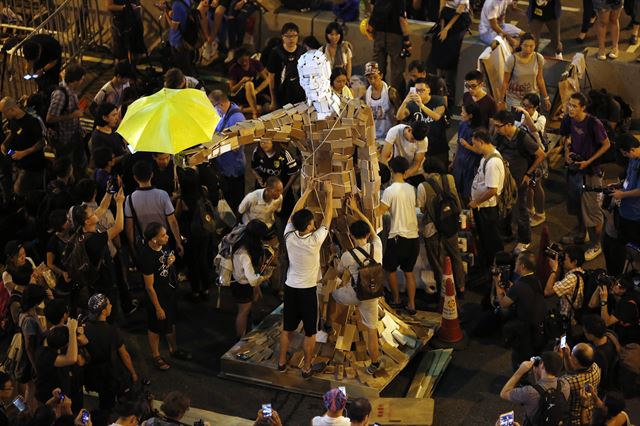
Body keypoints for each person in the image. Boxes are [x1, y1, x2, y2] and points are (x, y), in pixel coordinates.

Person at [278, 181, 333, 378]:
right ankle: (307, 366)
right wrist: (330, 193)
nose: (315, 224)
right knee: (310, 332)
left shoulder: (289, 236)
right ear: (309, 226)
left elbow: (294, 211)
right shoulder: (315, 240)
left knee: (287, 328)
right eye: (312, 223)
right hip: (308, 291)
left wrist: (308, 190)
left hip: (290, 287)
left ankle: (282, 362)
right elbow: (328, 218)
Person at [331, 198, 383, 374]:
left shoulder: (348, 255)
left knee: (334, 295)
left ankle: (330, 326)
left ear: (351, 236)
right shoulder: (377, 246)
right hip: (372, 293)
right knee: (371, 330)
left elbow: (338, 271)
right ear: (368, 235)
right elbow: (370, 226)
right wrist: (357, 210)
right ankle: (375, 363)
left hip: (355, 294)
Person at [559, 93, 611, 260]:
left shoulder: (593, 123)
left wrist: (589, 161)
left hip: (591, 172)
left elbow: (607, 144)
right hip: (574, 169)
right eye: (569, 104)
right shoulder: (568, 119)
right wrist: (567, 152)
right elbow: (565, 137)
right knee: (577, 206)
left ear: (583, 107)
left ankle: (597, 245)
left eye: (574, 106)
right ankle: (582, 234)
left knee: (592, 211)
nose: (570, 108)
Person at [139, 222, 191, 371]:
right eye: (163, 235)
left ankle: (173, 349)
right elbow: (149, 287)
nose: (167, 237)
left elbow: (166, 260)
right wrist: (157, 307)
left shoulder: (164, 245)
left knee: (171, 322)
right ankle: (156, 355)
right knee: (155, 327)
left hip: (169, 292)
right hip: (156, 297)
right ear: (154, 239)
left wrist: (171, 261)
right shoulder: (146, 256)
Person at [493, 110, 545, 253]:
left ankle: (525, 240)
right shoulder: (500, 136)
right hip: (504, 180)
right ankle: (507, 234)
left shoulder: (523, 137)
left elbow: (541, 155)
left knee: (520, 210)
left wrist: (528, 173)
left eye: (498, 126)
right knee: (505, 207)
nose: (496, 129)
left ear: (509, 124)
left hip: (519, 181)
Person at [71, 187, 126, 315]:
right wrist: (119, 203)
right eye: (92, 213)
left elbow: (102, 207)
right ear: (87, 221)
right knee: (107, 312)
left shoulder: (81, 230)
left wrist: (109, 191)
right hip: (103, 284)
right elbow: (119, 227)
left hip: (93, 282)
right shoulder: (94, 240)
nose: (96, 213)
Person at [377, 157, 420, 314]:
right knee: (409, 272)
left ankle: (396, 300)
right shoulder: (411, 189)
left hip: (397, 237)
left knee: (390, 270)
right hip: (413, 237)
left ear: (392, 169)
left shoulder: (390, 191)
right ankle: (412, 304)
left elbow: (379, 212)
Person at [417, 158, 465, 295]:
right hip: (450, 224)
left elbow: (421, 209)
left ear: (426, 171)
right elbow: (456, 200)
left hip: (432, 229)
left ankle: (444, 291)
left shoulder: (423, 186)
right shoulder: (449, 178)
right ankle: (461, 287)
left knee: (437, 261)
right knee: (455, 256)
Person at [84, 294, 138, 410]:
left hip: (91, 372)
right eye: (109, 304)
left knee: (103, 399)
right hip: (108, 374)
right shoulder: (112, 331)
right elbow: (125, 355)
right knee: (109, 401)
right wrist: (133, 373)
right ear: (103, 311)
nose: (111, 306)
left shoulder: (84, 328)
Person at [495, 251, 547, 368]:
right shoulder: (536, 279)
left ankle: (521, 378)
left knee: (518, 358)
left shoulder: (519, 286)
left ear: (522, 266)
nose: (515, 263)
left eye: (517, 261)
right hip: (540, 327)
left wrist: (497, 285)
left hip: (526, 329)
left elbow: (503, 303)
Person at [125, 160, 184, 258]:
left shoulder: (130, 199)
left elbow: (129, 227)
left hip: (145, 243)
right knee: (166, 268)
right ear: (152, 175)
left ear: (135, 178)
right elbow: (172, 221)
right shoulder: (162, 195)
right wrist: (178, 242)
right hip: (163, 240)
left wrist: (132, 247)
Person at [176, 168, 214, 301]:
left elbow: (177, 215)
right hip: (204, 231)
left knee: (192, 262)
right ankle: (207, 288)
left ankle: (196, 291)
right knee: (203, 258)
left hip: (190, 233)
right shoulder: (203, 192)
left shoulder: (183, 199)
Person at [469, 130, 505, 269]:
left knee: (491, 240)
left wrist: (476, 201)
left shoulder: (493, 163)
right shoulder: (486, 157)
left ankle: (495, 267)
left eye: (475, 144)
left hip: (487, 209)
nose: (474, 147)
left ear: (482, 142)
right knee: (485, 238)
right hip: (482, 207)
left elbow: (492, 190)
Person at [499, 351, 570, 423]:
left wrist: (520, 371)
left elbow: (504, 393)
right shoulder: (565, 385)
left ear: (542, 365)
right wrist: (537, 374)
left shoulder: (529, 392)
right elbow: (543, 390)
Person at [230, 219, 271, 337]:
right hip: (242, 284)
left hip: (242, 282)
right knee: (243, 312)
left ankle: (253, 325)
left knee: (253, 302)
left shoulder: (243, 241)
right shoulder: (244, 254)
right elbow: (252, 279)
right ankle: (240, 339)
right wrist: (265, 276)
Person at [396, 78, 448, 167]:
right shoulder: (412, 104)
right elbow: (399, 116)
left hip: (438, 147)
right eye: (416, 90)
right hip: (419, 147)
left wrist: (421, 105)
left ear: (429, 90)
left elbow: (436, 116)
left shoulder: (438, 100)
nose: (419, 93)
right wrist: (405, 101)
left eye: (422, 90)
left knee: (440, 173)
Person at [46, 64, 88, 176]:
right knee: (65, 167)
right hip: (64, 139)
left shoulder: (71, 89)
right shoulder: (60, 95)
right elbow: (49, 118)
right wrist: (72, 115)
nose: (83, 82)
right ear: (75, 80)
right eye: (82, 79)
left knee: (81, 162)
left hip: (74, 134)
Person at [210, 89, 247, 216]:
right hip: (224, 167)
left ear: (220, 104)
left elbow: (239, 144)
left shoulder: (237, 118)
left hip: (233, 168)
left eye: (213, 106)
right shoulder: (223, 114)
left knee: (236, 201)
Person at [514, 93, 548, 228]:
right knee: (526, 185)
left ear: (536, 107)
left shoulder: (541, 118)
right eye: (524, 105)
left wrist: (526, 116)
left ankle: (541, 213)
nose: (525, 108)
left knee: (536, 185)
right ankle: (530, 209)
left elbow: (534, 129)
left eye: (529, 106)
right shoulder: (521, 115)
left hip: (537, 156)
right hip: (524, 155)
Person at [0, 96, 45, 197]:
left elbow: (41, 143)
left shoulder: (32, 121)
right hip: (19, 161)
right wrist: (5, 143)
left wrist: (23, 153)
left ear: (12, 109)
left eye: (4, 112)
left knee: (19, 190)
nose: (3, 115)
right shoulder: (12, 120)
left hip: (33, 165)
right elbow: (13, 131)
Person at [367, 0, 412, 95]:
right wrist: (407, 41)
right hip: (395, 36)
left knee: (378, 67)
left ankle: (376, 95)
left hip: (379, 34)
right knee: (397, 70)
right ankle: (393, 97)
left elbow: (372, 9)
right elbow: (402, 19)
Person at [250, 138, 298, 221]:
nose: (263, 145)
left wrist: (285, 190)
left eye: (266, 142)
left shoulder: (285, 154)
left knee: (286, 215)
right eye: (261, 142)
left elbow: (294, 173)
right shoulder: (257, 151)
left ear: (274, 142)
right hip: (264, 190)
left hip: (282, 192)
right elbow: (253, 168)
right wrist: (258, 178)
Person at [500, 33, 551, 111]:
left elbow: (540, 79)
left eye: (531, 46)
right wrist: (501, 101)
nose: (528, 49)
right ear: (521, 45)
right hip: (515, 98)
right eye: (525, 45)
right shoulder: (512, 60)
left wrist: (546, 97)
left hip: (532, 98)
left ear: (535, 45)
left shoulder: (539, 58)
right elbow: (505, 82)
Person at [34, 323, 80, 406]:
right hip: (49, 397)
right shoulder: (46, 356)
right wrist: (72, 332)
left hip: (50, 394)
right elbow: (72, 358)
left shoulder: (45, 341)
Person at [544, 245, 586, 335]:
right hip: (573, 311)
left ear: (574, 262)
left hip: (567, 317)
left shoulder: (571, 279)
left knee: (562, 336)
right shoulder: (580, 271)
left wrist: (554, 270)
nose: (563, 260)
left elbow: (547, 292)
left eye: (565, 259)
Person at [590, 274, 640, 345]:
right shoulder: (615, 295)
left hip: (629, 341)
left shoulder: (628, 304)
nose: (612, 285)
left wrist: (604, 300)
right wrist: (599, 286)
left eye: (617, 284)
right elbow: (592, 305)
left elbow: (606, 323)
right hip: (616, 333)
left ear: (623, 289)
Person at [266, 22, 306, 109]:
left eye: (294, 36)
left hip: (299, 92)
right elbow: (271, 77)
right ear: (282, 37)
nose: (291, 39)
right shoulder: (275, 53)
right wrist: (273, 100)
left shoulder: (302, 51)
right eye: (288, 36)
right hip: (282, 93)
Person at [560, 342, 601, 425]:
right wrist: (567, 356)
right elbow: (573, 372)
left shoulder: (566, 382)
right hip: (592, 413)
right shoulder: (595, 367)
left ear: (575, 360)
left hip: (575, 420)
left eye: (572, 354)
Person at [428, 0, 472, 77]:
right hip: (447, 15)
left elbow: (458, 13)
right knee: (437, 38)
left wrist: (446, 29)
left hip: (460, 17)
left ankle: (449, 73)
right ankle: (438, 73)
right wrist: (442, 28)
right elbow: (442, 10)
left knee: (452, 41)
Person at [452, 103, 483, 206]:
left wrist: (467, 146)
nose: (461, 114)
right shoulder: (462, 124)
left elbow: (481, 151)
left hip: (471, 164)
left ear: (471, 115)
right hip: (460, 161)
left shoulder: (479, 131)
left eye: (463, 112)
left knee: (468, 191)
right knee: (457, 189)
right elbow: (458, 144)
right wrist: (454, 160)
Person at [380, 121, 429, 186]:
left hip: (416, 172)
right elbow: (384, 156)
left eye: (416, 141)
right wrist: (388, 176)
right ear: (409, 130)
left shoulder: (423, 140)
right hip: (400, 167)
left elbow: (417, 163)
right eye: (412, 139)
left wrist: (402, 177)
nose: (414, 142)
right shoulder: (395, 131)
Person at [613, 135, 640, 246]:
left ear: (632, 149)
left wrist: (622, 195)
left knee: (633, 245)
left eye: (625, 153)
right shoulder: (633, 159)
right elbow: (629, 178)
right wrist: (619, 185)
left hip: (635, 213)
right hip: (626, 209)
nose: (625, 156)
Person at [228, 48, 270, 118]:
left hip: (254, 91)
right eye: (241, 61)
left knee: (263, 107)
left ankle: (242, 110)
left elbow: (267, 80)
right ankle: (255, 112)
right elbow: (232, 90)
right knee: (249, 84)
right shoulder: (234, 69)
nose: (244, 63)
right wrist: (241, 81)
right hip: (241, 93)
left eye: (246, 60)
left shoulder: (255, 63)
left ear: (248, 57)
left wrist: (257, 90)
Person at [582, 314, 619, 391]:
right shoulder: (611, 334)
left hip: (603, 387)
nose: (584, 334)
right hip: (613, 377)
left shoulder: (598, 356)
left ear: (592, 335)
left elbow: (597, 380)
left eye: (585, 332)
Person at [364, 61, 398, 143]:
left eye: (375, 77)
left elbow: (398, 116)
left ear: (381, 76)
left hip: (389, 136)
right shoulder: (366, 94)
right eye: (369, 78)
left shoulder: (391, 92)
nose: (372, 81)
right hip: (373, 136)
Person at [164, 0, 199, 76]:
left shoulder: (177, 5)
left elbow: (174, 26)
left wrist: (165, 12)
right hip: (186, 41)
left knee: (182, 72)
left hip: (178, 42)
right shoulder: (187, 1)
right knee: (187, 68)